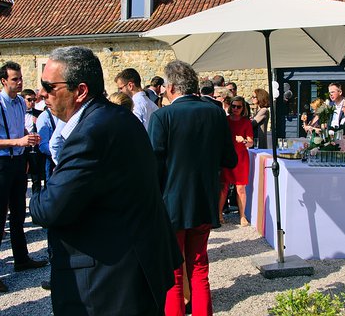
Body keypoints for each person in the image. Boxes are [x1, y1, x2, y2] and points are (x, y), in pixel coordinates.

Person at [29, 46, 182, 315]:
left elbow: (49, 208)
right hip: (133, 266)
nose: (41, 93)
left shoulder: (91, 132)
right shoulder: (117, 116)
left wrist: (37, 197)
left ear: (81, 91)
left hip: (108, 284)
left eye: (49, 86)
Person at [148, 60, 237, 316]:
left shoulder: (162, 116)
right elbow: (229, 159)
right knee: (199, 268)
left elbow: (154, 165)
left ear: (172, 86)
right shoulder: (216, 113)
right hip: (205, 199)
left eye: (165, 86)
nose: (163, 90)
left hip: (171, 203)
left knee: (174, 274)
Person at [0, 61, 47, 293]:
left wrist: (28, 140)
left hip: (18, 161)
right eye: (15, 79)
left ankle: (21, 259)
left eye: (20, 78)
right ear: (3, 81)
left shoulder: (20, 103)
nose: (20, 83)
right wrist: (17, 142)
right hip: (1, 163)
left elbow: (21, 130)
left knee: (19, 212)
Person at [219, 96, 253, 227]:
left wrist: (243, 140)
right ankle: (219, 214)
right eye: (233, 106)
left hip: (241, 158)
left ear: (243, 108)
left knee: (241, 188)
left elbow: (250, 142)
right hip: (227, 156)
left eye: (238, 107)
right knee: (223, 187)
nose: (235, 109)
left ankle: (242, 215)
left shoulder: (246, 122)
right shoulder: (225, 121)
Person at [21, 88, 43, 193]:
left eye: (34, 100)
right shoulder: (18, 113)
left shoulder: (39, 114)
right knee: (21, 176)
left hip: (35, 147)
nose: (32, 102)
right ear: (23, 100)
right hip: (22, 147)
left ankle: (36, 201)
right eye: (29, 100)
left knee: (36, 176)